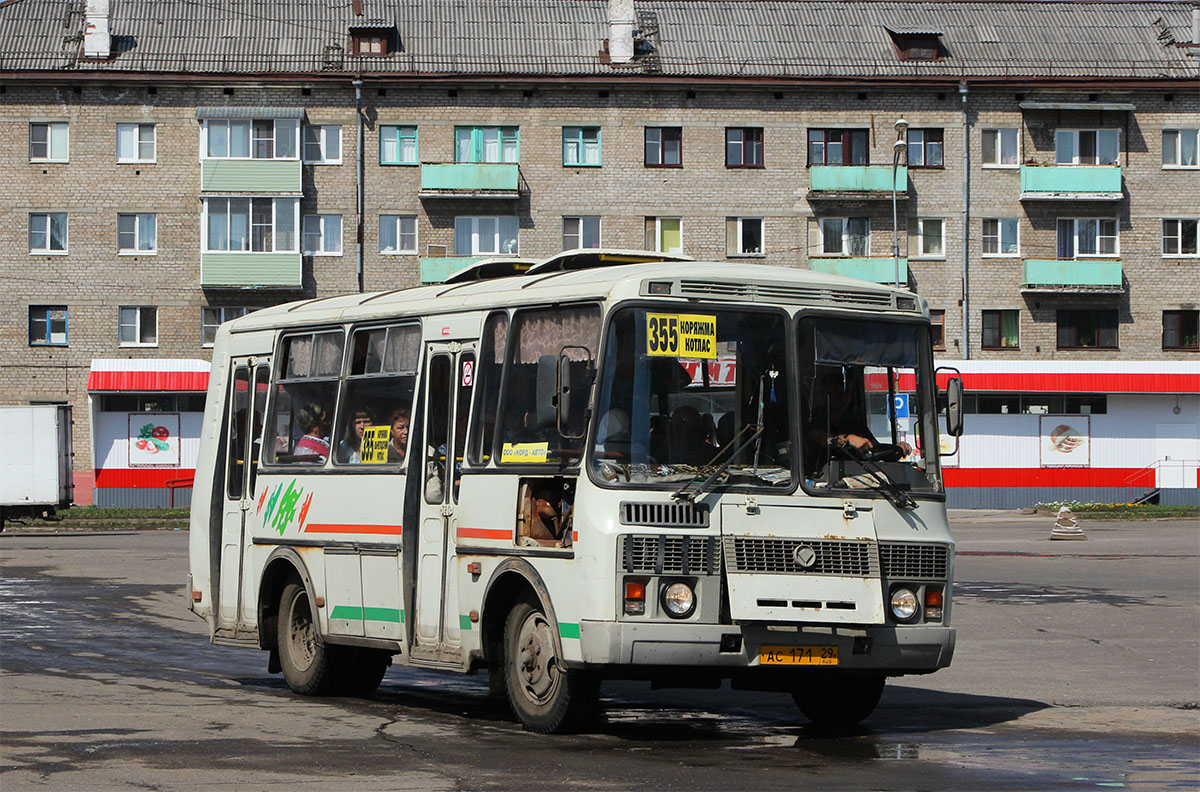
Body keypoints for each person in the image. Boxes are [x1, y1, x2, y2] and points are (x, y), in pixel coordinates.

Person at [805, 368, 911, 475]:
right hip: (818, 479)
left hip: (853, 478)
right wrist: (847, 439)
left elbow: (873, 450)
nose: (843, 397)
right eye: (837, 392)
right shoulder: (814, 417)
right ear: (825, 394)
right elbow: (819, 437)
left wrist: (896, 449)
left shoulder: (854, 422)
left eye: (847, 392)